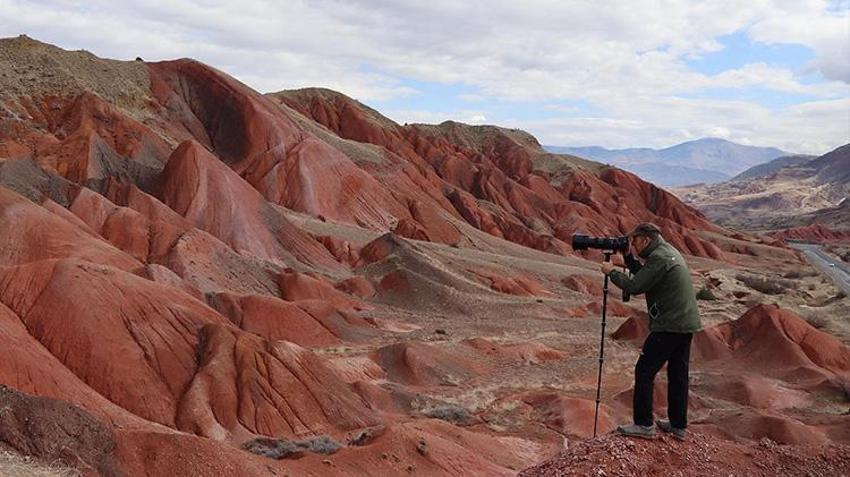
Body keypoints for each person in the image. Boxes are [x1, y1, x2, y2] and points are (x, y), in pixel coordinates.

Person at [600, 222, 702, 440]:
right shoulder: (667, 251)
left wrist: (612, 273)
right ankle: (678, 425)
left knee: (644, 371)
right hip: (685, 323)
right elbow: (646, 276)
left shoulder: (659, 258)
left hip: (670, 324)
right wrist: (628, 259)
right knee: (678, 375)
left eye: (635, 241)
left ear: (646, 239)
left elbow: (635, 286)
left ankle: (644, 425)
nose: (634, 245)